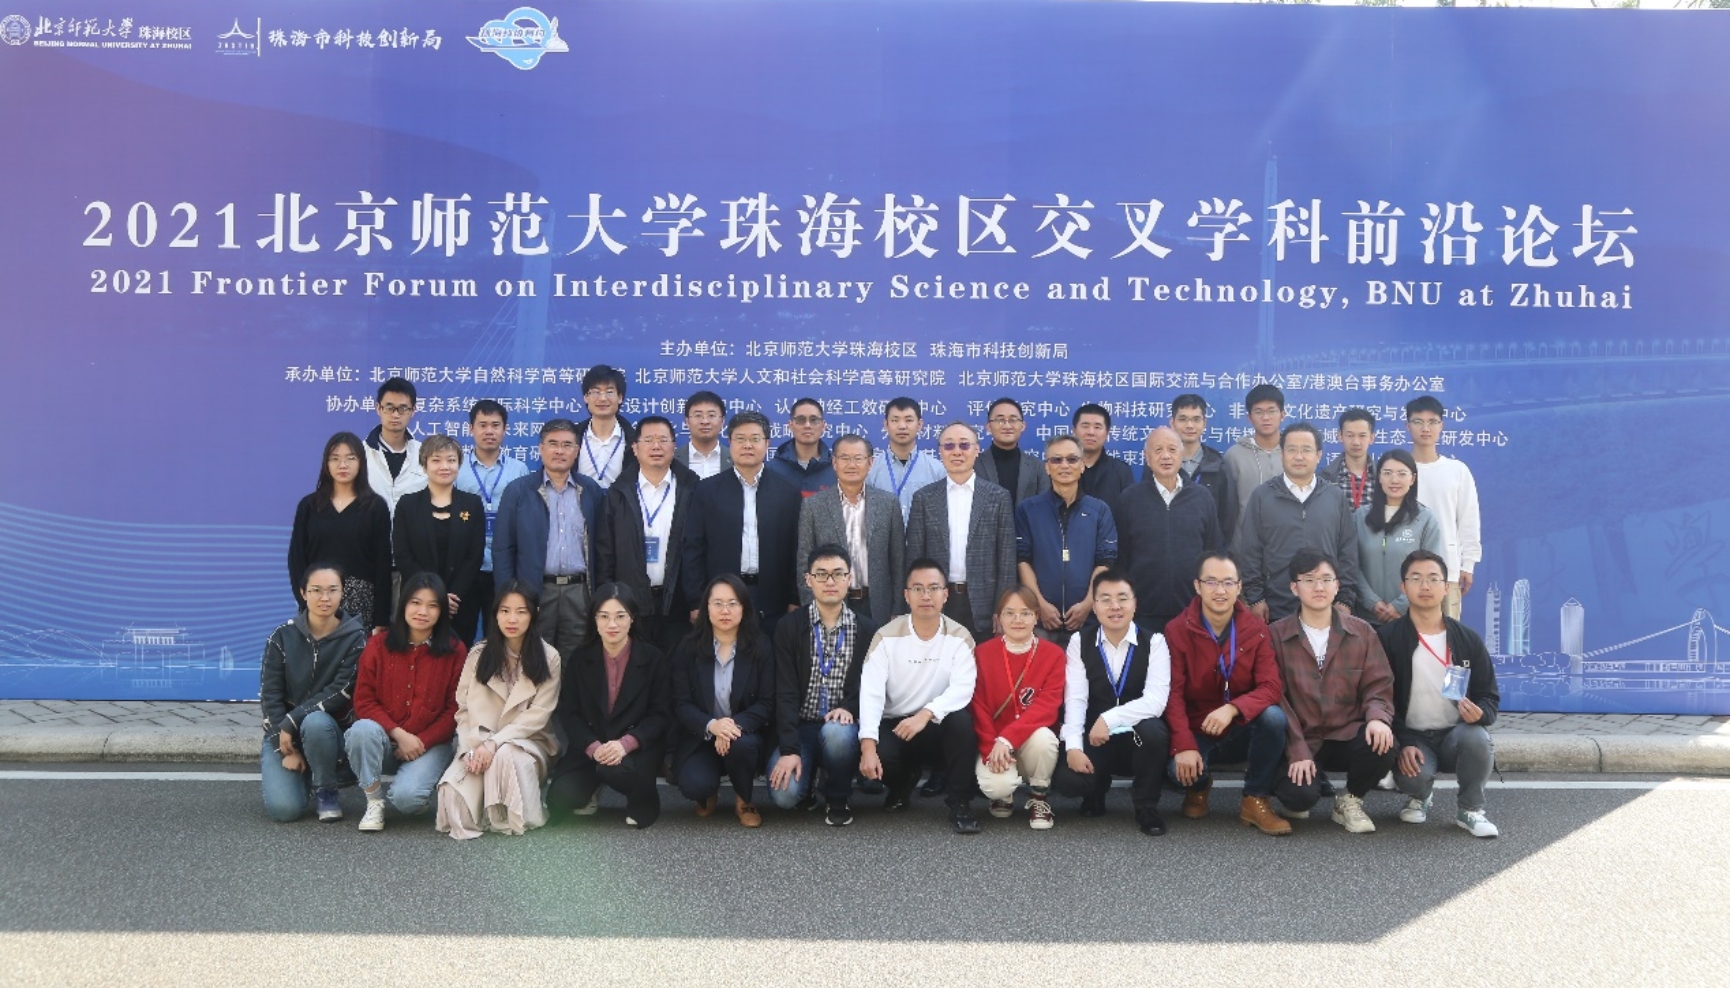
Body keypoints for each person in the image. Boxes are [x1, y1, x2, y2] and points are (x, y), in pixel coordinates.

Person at [1268, 550, 1398, 834]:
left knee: (1383, 742)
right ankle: (1308, 783)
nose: (1319, 587)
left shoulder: (1362, 632)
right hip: (1300, 737)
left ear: (1337, 586)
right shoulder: (1275, 635)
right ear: (1294, 587)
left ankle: (1350, 799)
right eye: (1309, 580)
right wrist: (1297, 749)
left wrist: (1377, 717)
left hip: (1344, 735)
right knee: (1299, 799)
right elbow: (1275, 697)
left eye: (1326, 579)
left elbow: (1378, 684)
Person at [1163, 551, 1291, 836]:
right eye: (1211, 582)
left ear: (1239, 586)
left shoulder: (1256, 629)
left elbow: (1271, 687)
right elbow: (1172, 694)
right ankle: (1198, 787)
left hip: (1240, 725)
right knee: (1177, 772)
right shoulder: (1177, 630)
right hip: (1198, 728)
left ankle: (1255, 798)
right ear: (1197, 586)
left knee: (1274, 718)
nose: (1220, 590)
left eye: (1228, 582)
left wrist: (1233, 708)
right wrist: (1184, 745)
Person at [1380, 549, 1501, 838]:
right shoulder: (1387, 638)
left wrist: (1480, 714)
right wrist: (1403, 741)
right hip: (1413, 737)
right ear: (1403, 587)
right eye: (1416, 578)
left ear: (1446, 587)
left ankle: (1470, 809)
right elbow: (1380, 699)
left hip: (1454, 735)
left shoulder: (1467, 639)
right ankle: (1419, 796)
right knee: (1413, 778)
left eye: (1434, 579)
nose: (1425, 586)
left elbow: (1489, 697)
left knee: (1478, 738)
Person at [858, 558, 982, 834]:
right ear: (906, 595)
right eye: (918, 589)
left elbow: (963, 688)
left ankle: (960, 802)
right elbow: (871, 693)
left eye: (933, 588)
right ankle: (902, 785)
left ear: (945, 594)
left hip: (937, 722)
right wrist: (867, 747)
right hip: (897, 724)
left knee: (962, 723)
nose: (926, 596)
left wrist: (926, 714)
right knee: (879, 751)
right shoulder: (886, 637)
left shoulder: (960, 636)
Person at [434, 580, 562, 839]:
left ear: (534, 613)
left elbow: (538, 715)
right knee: (453, 801)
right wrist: (471, 747)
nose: (512, 619)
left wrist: (495, 744)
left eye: (521, 611)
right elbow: (462, 710)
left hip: (526, 744)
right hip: (479, 742)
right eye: (505, 611)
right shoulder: (478, 654)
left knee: (506, 756)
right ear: (495, 614)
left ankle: (516, 810)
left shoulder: (549, 657)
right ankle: (486, 799)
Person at [1050, 570, 1173, 836]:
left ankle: (1146, 807)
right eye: (1105, 599)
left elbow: (1155, 701)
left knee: (1154, 732)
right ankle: (1095, 791)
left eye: (1122, 598)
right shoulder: (1079, 641)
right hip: (1095, 739)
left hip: (1135, 738)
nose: (1114, 606)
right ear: (1094, 606)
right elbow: (1075, 699)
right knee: (1068, 782)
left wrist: (1109, 719)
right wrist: (1073, 747)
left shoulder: (1155, 642)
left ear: (1135, 603)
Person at [343, 572, 466, 832]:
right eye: (415, 603)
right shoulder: (377, 645)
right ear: (403, 605)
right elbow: (363, 701)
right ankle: (374, 801)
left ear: (442, 611)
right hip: (384, 741)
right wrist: (399, 734)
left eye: (432, 605)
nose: (422, 612)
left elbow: (454, 710)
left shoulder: (455, 650)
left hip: (430, 744)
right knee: (360, 731)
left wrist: (421, 742)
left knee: (407, 800)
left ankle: (417, 786)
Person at [768, 544, 879, 826]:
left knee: (838, 733)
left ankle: (837, 796)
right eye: (821, 574)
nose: (830, 581)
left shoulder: (867, 629)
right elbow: (785, 691)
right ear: (808, 580)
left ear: (849, 579)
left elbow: (871, 686)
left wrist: (849, 707)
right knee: (784, 797)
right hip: (801, 724)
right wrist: (789, 749)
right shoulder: (789, 627)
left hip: (842, 726)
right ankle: (807, 784)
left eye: (838, 574)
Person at [547, 584, 670, 828]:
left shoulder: (652, 658)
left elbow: (661, 714)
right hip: (592, 746)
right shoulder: (580, 658)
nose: (612, 624)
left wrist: (625, 744)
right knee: (559, 799)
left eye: (620, 616)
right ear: (594, 620)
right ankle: (593, 783)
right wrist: (593, 747)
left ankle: (642, 798)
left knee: (613, 771)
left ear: (632, 618)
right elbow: (570, 713)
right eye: (604, 616)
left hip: (635, 748)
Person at [259, 563, 368, 823]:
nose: (324, 597)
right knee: (285, 810)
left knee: (316, 721)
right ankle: (308, 772)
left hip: (328, 731)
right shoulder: (281, 637)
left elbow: (341, 691)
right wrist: (282, 745)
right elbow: (270, 695)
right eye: (316, 590)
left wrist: (292, 720)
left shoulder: (356, 638)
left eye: (333, 590)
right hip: (284, 734)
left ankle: (326, 788)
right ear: (303, 593)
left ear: (343, 593)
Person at [493, 419, 606, 663]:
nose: (559, 451)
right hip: (534, 591)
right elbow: (503, 549)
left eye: (567, 445)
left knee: (576, 661)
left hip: (579, 592)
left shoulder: (590, 491)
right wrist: (508, 596)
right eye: (553, 444)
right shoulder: (518, 491)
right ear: (541, 449)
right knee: (532, 658)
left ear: (576, 451)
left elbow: (603, 547)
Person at [671, 575, 776, 828]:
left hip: (744, 734)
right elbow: (681, 703)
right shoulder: (688, 647)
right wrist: (713, 726)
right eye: (717, 603)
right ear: (706, 608)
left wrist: (731, 727)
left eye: (733, 603)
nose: (725, 611)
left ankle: (744, 800)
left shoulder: (760, 646)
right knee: (694, 785)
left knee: (742, 747)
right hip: (702, 735)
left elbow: (767, 702)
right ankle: (709, 791)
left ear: (744, 608)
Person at [682, 410, 802, 628]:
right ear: (730, 442)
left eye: (755, 439)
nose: (747, 445)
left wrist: (795, 598)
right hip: (721, 600)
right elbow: (694, 549)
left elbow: (797, 549)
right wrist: (696, 601)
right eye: (740, 439)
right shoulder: (706, 491)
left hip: (773, 601)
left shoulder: (787, 492)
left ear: (767, 443)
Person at [1234, 422, 1363, 622]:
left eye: (1306, 450)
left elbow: (1348, 550)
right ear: (1282, 454)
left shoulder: (1334, 496)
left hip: (1327, 605)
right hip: (1276, 606)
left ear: (1318, 455)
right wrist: (1256, 598)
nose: (1299, 456)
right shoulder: (1262, 496)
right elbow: (1251, 550)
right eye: (1292, 450)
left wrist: (1345, 600)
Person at [905, 422, 1017, 643]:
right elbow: (915, 557)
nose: (957, 452)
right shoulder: (924, 498)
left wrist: (1003, 606)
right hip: (936, 600)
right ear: (940, 451)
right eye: (949, 446)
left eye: (964, 445)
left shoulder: (998, 497)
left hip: (984, 604)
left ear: (977, 450)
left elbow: (1006, 558)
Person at [596, 415, 699, 652]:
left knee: (676, 668)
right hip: (629, 605)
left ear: (674, 446)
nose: (656, 446)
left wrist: (697, 601)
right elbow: (605, 553)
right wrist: (608, 599)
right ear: (635, 448)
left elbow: (701, 548)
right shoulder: (618, 493)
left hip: (679, 606)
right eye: (649, 440)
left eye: (663, 440)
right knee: (636, 668)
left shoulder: (692, 489)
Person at [970, 587, 1065, 830]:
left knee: (1045, 738)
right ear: (999, 618)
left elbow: (1047, 706)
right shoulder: (982, 653)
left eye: (1025, 613)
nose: (1017, 619)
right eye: (1010, 613)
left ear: (1036, 617)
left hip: (1029, 739)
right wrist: (991, 746)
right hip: (995, 741)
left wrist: (1008, 738)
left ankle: (1039, 798)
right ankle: (1004, 795)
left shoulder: (1054, 654)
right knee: (997, 787)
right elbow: (978, 706)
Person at [1116, 426, 1224, 633]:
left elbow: (1214, 553)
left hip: (1192, 611)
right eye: (1158, 450)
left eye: (1172, 450)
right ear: (1147, 458)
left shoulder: (1202, 497)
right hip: (1143, 613)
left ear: (1181, 455)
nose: (1166, 456)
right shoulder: (1129, 499)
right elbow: (1121, 559)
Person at [1014, 434, 1117, 646]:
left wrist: (1087, 604)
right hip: (1041, 622)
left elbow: (1105, 561)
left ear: (1082, 465)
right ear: (1047, 467)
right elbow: (1022, 559)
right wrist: (1039, 605)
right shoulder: (1028, 509)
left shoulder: (1099, 510)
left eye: (1072, 459)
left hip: (1088, 621)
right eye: (1056, 459)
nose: (1064, 465)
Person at [795, 434, 905, 626]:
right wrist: (812, 607)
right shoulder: (814, 506)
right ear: (834, 462)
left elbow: (898, 560)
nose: (851, 465)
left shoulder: (888, 504)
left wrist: (897, 610)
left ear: (870, 463)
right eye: (844, 458)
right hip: (830, 603)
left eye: (858, 458)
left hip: (877, 604)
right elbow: (804, 562)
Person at [288, 432, 392, 631]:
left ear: (361, 462)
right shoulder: (309, 506)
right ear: (326, 464)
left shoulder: (375, 506)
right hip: (318, 600)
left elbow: (382, 564)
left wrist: (381, 619)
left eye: (350, 458)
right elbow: (296, 558)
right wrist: (306, 600)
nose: (342, 465)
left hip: (361, 602)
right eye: (335, 459)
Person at [391, 435, 487, 645]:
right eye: (436, 460)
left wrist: (451, 596)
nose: (444, 466)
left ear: (459, 464)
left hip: (459, 603)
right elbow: (402, 555)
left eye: (451, 460)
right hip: (419, 602)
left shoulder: (472, 504)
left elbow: (474, 557)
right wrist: (433, 596)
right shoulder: (407, 505)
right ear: (424, 465)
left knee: (458, 657)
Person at [455, 399, 531, 643]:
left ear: (505, 429)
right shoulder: (456, 468)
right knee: (460, 635)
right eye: (483, 425)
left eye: (495, 425)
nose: (489, 431)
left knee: (499, 637)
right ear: (471, 429)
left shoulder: (519, 470)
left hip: (504, 567)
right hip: (466, 566)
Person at [1406, 395, 1482, 619]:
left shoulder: (1457, 470)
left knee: (1446, 634)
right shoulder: (1397, 470)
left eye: (1432, 422)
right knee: (1403, 636)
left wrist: (1468, 564)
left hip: (1447, 570)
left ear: (1442, 426)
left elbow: (1468, 519)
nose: (1425, 428)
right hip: (1404, 571)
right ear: (1407, 426)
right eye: (1418, 422)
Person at [1354, 449, 1445, 625]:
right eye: (1387, 473)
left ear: (1412, 479)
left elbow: (1432, 569)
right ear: (1379, 477)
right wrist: (1371, 602)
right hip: (1365, 618)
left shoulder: (1426, 519)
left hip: (1410, 618)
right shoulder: (1360, 517)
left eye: (1402, 474)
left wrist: (1400, 605)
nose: (1394, 480)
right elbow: (1352, 566)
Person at [1170, 393, 1238, 541]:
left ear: (1204, 423)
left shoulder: (1218, 465)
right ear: (1172, 423)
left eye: (1196, 419)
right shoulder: (1161, 464)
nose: (1190, 425)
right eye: (1183, 419)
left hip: (1207, 549)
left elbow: (1227, 518)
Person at [866, 396, 946, 521]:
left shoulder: (937, 470)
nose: (902, 426)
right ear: (886, 425)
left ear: (919, 425)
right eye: (895, 420)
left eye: (909, 420)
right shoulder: (871, 469)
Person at [363, 376, 428, 518]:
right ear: (378, 408)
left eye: (403, 408)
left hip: (412, 532)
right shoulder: (360, 454)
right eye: (389, 408)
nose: (395, 415)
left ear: (413, 411)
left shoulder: (425, 454)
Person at [1223, 383, 1285, 518]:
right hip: (1245, 531)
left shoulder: (1293, 453)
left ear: (1282, 415)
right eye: (1258, 412)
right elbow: (1228, 506)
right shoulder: (1234, 456)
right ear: (1249, 418)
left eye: (1271, 411)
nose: (1265, 418)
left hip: (1287, 531)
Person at [974, 397, 1051, 504]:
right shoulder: (975, 465)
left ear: (1022, 426)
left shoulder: (1037, 467)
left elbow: (1045, 505)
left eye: (1013, 420)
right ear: (988, 427)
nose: (1007, 426)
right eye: (1000, 420)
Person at [573, 364, 636, 489]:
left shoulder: (634, 440)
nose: (602, 398)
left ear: (620, 398)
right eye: (596, 392)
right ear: (586, 397)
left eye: (609, 392)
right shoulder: (573, 436)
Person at [1072, 403, 1135, 519]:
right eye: (1085, 426)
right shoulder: (1061, 468)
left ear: (1107, 434)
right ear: (1074, 431)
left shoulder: (1121, 471)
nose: (1091, 432)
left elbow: (1129, 515)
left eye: (1097, 427)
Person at [765, 397, 836, 497]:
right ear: (790, 425)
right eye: (801, 420)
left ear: (823, 426)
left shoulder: (836, 470)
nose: (807, 425)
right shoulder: (771, 470)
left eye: (814, 420)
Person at [1320, 407, 1377, 510]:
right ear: (1340, 436)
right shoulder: (1325, 477)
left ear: (1371, 438)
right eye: (1350, 435)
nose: (1356, 442)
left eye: (1362, 436)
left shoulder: (1382, 475)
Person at [675, 390, 731, 479]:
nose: (705, 421)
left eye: (711, 415)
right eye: (698, 415)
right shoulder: (673, 459)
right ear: (687, 421)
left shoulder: (735, 459)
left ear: (722, 421)